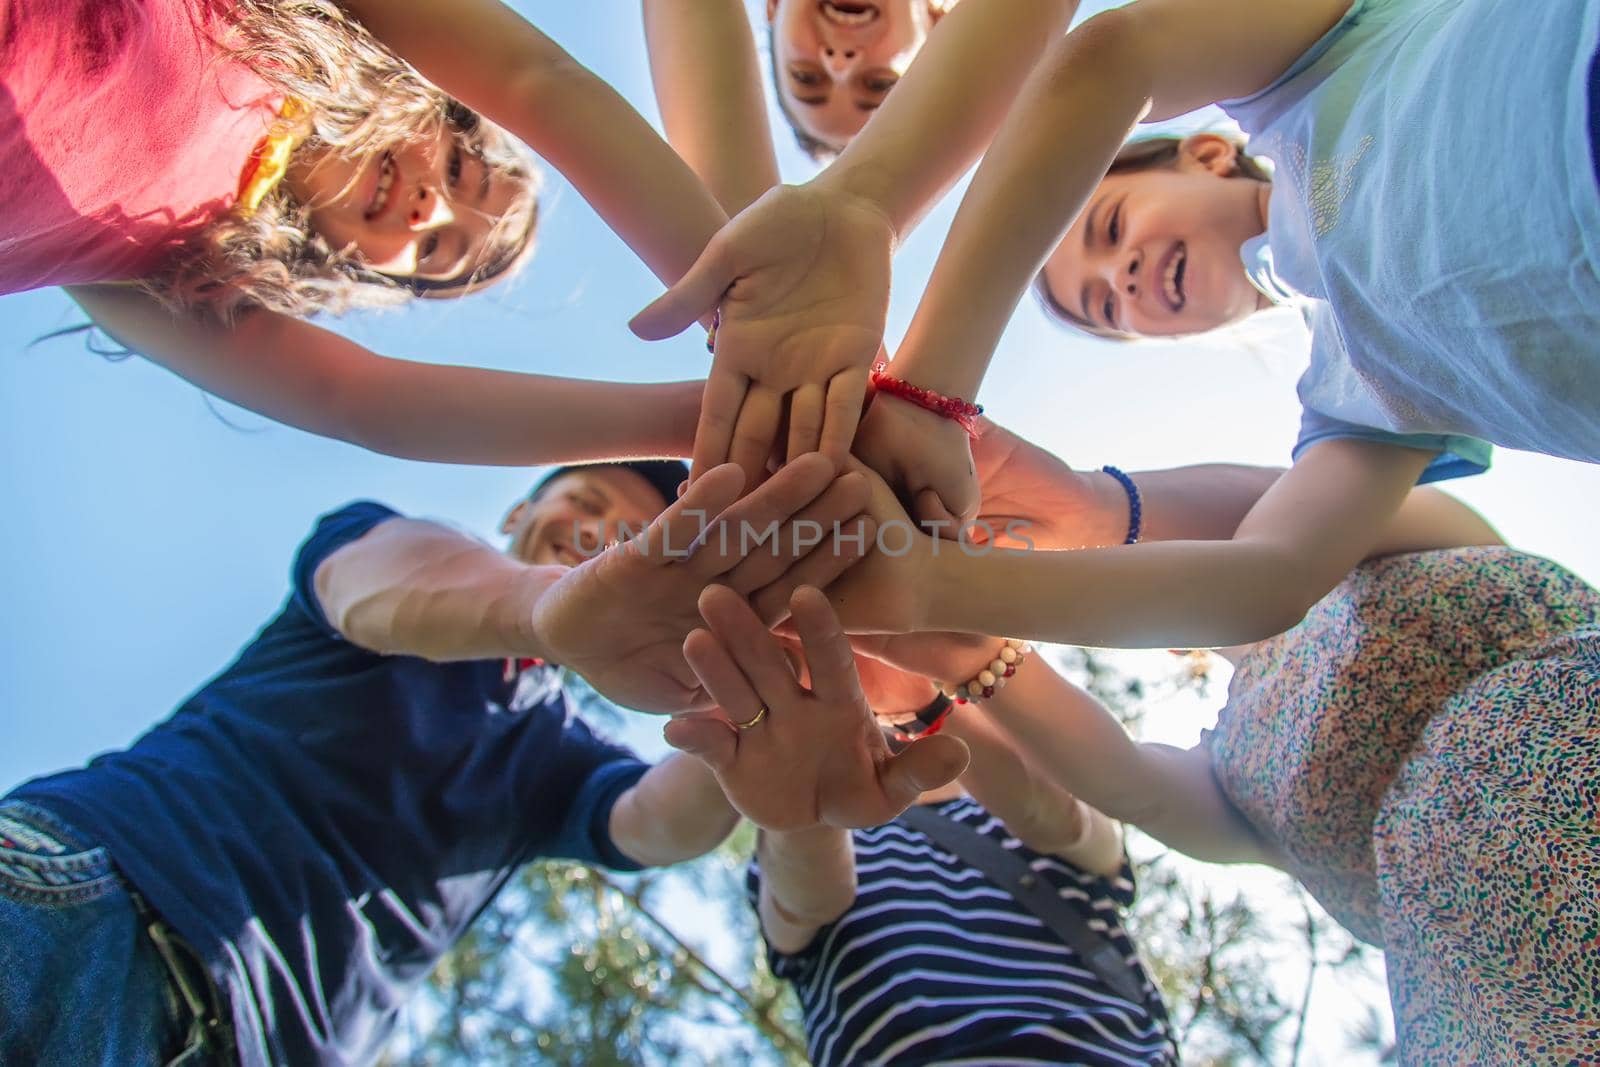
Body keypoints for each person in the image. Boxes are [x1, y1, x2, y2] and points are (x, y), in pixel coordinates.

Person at [0, 454, 960, 1065]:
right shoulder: (404, 550)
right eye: (581, 504)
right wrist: (547, 604)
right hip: (86, 911)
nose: (598, 537)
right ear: (519, 506)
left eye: (635, 538)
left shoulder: (553, 755)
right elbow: (380, 588)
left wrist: (755, 728)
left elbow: (654, 821)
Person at [835, 0, 1600, 650]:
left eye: (1107, 227)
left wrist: (927, 391)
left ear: (1204, 154)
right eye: (1106, 306)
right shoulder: (1353, 390)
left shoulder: (1305, 74)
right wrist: (939, 587)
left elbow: (1115, 57)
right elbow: (1265, 576)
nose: (1121, 275)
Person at [916, 539, 1600, 1062]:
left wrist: (1065, 525)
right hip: (1519, 1025)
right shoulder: (1227, 766)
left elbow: (1280, 534)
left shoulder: (1343, 546)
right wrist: (958, 654)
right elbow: (1128, 782)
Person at [668, 583, 1178, 1065]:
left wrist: (918, 702)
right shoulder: (798, 848)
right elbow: (804, 905)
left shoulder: (1024, 807)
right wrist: (806, 813)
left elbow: (1058, 820)